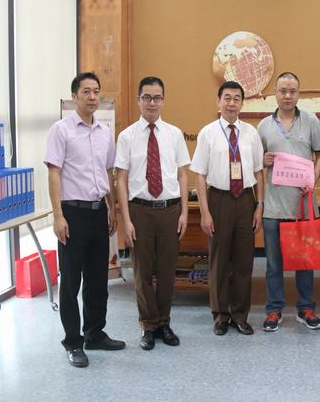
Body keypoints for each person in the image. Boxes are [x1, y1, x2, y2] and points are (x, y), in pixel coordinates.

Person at [44, 72, 125, 368]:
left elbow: (108, 173)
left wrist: (112, 208)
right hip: (72, 214)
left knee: (97, 279)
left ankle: (95, 333)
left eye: (96, 91)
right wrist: (58, 216)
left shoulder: (104, 131)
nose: (92, 97)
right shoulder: (61, 130)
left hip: (98, 212)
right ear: (74, 96)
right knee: (70, 281)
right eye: (86, 91)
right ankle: (73, 342)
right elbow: (54, 173)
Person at [115, 76, 190, 350]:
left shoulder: (174, 134)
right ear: (139, 100)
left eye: (157, 97)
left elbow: (183, 175)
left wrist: (184, 212)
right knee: (143, 271)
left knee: (168, 270)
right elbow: (121, 179)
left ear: (163, 101)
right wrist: (126, 219)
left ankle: (164, 323)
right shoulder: (126, 136)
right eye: (146, 97)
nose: (152, 103)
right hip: (140, 211)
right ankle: (148, 325)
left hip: (170, 210)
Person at [191, 81, 265, 336]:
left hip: (245, 200)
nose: (232, 103)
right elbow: (200, 175)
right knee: (219, 261)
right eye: (227, 98)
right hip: (218, 199)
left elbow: (259, 171)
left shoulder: (251, 133)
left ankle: (240, 315)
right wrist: (205, 212)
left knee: (244, 261)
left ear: (242, 103)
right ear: (219, 101)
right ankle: (221, 315)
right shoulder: (208, 133)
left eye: (236, 98)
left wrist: (259, 205)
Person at [257, 72, 320, 332]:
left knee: (305, 261)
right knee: (273, 263)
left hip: (303, 205)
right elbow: (256, 163)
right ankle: (274, 309)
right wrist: (262, 160)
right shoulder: (264, 126)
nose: (287, 96)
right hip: (274, 206)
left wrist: (312, 179)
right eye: (283, 91)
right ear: (275, 93)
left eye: (293, 91)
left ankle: (306, 308)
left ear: (299, 93)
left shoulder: (311, 121)